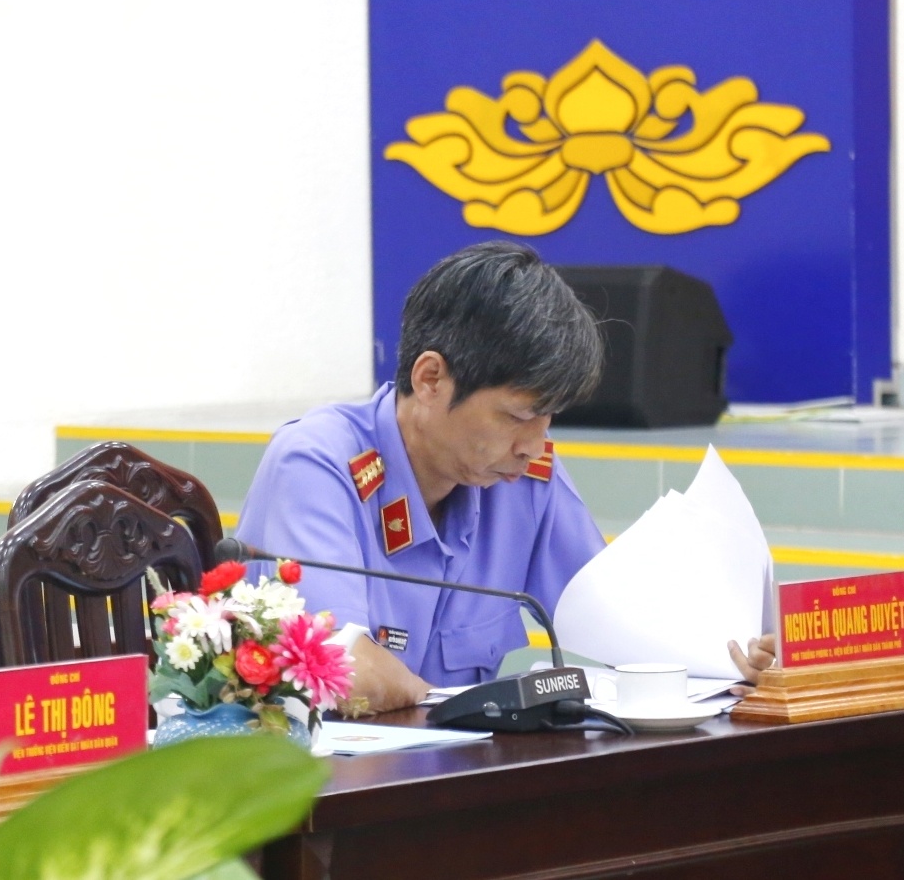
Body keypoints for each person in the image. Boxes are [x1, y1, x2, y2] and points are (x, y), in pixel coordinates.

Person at [235, 241, 775, 712]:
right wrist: (469, 710)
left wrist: (731, 657)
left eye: (548, 418)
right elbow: (341, 670)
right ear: (430, 379)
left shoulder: (523, 479)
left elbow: (622, 619)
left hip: (463, 775)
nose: (533, 446)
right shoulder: (318, 463)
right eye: (517, 417)